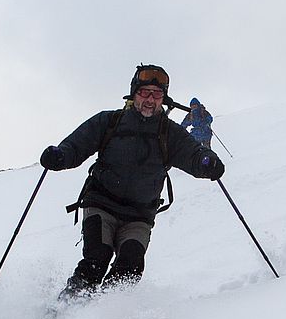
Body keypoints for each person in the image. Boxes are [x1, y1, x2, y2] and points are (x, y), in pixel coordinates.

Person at [39, 65, 224, 298]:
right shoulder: (110, 121)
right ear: (134, 93)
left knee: (130, 266)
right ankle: (66, 309)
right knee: (97, 258)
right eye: (145, 92)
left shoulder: (169, 133)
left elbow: (193, 155)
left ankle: (105, 315)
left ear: (163, 100)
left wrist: (207, 162)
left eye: (157, 95)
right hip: (101, 204)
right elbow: (76, 146)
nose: (150, 99)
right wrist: (60, 156)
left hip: (139, 215)